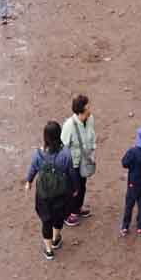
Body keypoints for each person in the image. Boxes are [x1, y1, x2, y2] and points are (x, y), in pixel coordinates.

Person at [22, 120, 75, 260]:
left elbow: (33, 168)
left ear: (45, 136)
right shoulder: (66, 154)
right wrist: (75, 188)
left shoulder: (39, 154)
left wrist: (29, 181)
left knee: (46, 221)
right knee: (58, 217)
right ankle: (57, 238)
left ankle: (49, 250)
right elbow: (71, 172)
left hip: (43, 194)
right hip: (61, 193)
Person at [62, 95, 96, 225]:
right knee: (73, 189)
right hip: (73, 164)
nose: (90, 108)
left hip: (85, 161)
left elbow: (92, 136)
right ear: (81, 110)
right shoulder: (69, 125)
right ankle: (68, 214)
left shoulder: (90, 119)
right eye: (88, 106)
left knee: (82, 186)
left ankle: (78, 208)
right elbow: (64, 146)